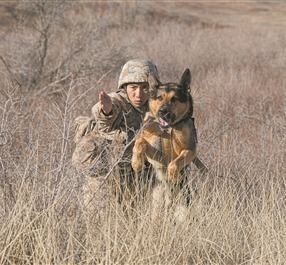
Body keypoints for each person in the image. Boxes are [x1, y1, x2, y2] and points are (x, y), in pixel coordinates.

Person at [72, 59, 160, 213]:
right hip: (103, 178)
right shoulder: (118, 100)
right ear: (125, 87)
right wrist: (106, 110)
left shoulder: (154, 105)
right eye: (133, 87)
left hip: (135, 177)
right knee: (99, 220)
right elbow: (104, 119)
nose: (138, 94)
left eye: (145, 88)